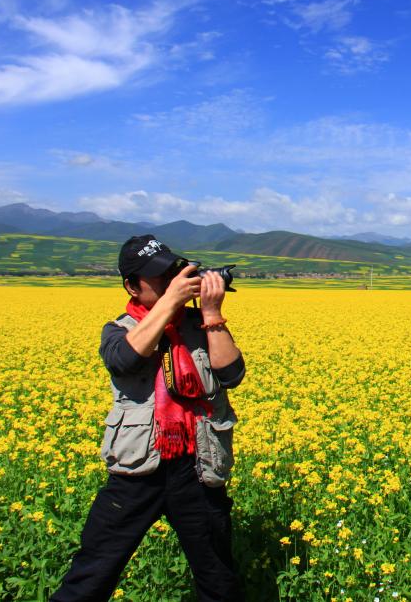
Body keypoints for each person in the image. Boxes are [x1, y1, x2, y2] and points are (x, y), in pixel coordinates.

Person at [53, 234, 245, 602]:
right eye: (158, 278)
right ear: (131, 286)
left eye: (172, 272)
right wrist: (171, 301)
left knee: (218, 578)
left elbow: (231, 374)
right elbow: (124, 360)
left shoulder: (198, 325)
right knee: (92, 574)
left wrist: (211, 314)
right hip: (138, 469)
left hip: (198, 466)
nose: (170, 281)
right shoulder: (120, 329)